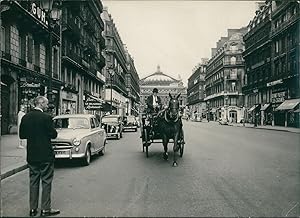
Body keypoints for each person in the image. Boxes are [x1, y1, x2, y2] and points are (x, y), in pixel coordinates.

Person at [19, 96, 60, 217]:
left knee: (33, 181)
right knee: (46, 181)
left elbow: (22, 135)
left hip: (32, 154)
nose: (47, 106)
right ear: (41, 104)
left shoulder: (26, 117)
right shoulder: (46, 118)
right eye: (46, 104)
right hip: (45, 155)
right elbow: (53, 135)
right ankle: (45, 209)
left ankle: (33, 209)